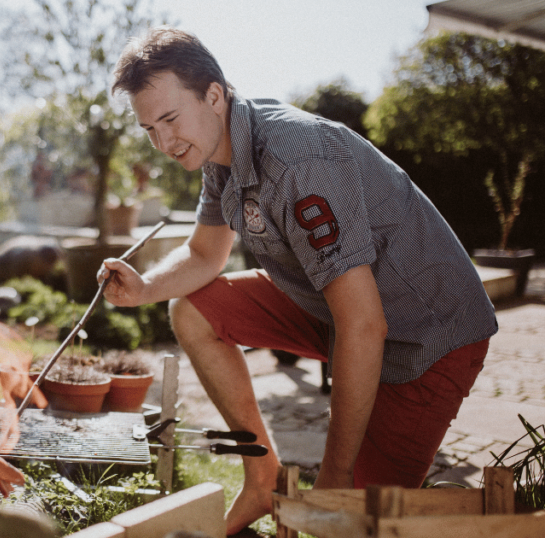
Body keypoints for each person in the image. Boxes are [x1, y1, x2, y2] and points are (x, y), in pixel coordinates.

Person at [100, 27, 498, 535]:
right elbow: (204, 254)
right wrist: (145, 287)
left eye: (170, 119)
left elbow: (365, 326)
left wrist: (333, 478)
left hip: (425, 336)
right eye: (149, 129)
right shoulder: (219, 151)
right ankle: (263, 476)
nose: (163, 143)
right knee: (192, 308)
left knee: (345, 518)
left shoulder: (297, 158)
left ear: (214, 95)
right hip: (335, 310)